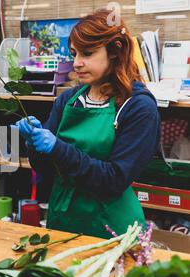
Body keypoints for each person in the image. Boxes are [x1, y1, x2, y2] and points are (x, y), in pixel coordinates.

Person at [14, 10, 161, 238]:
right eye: (74, 54)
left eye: (87, 53)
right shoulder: (68, 100)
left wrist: (58, 148)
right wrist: (32, 141)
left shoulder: (138, 107)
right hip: (64, 219)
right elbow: (44, 168)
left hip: (112, 227)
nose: (76, 63)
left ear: (115, 51)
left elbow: (113, 180)